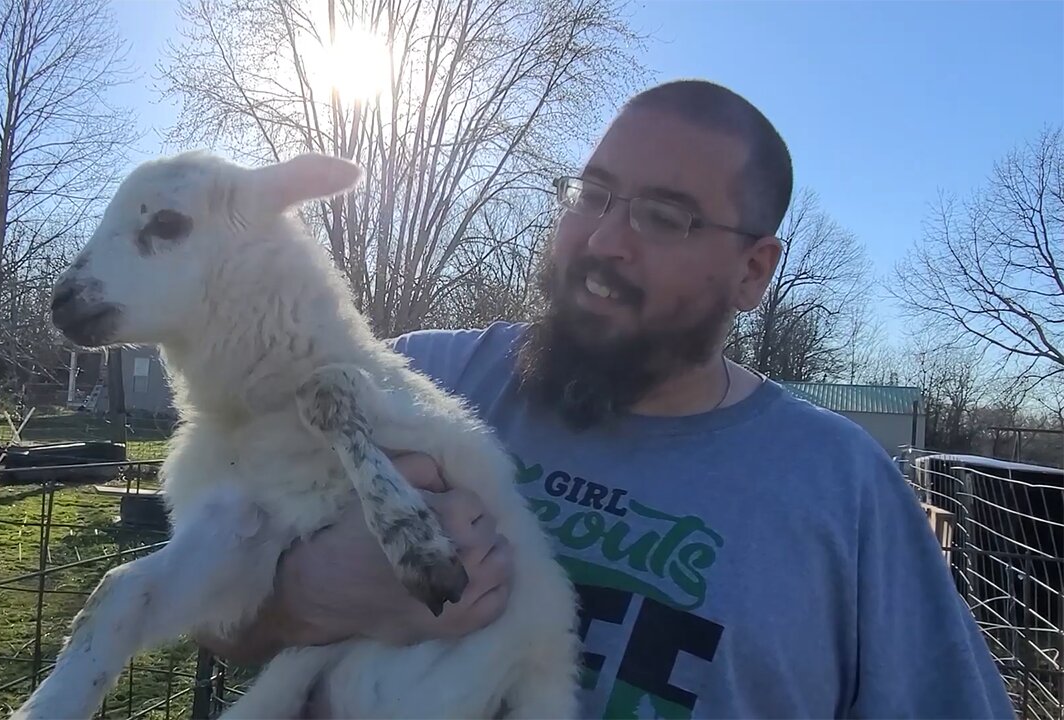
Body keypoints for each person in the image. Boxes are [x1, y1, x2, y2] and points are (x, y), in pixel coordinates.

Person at [198, 79, 1015, 718]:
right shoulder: (412, 382)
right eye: (591, 195)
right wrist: (301, 595)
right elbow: (197, 613)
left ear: (753, 272)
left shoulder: (842, 491)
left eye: (665, 217)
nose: (600, 241)